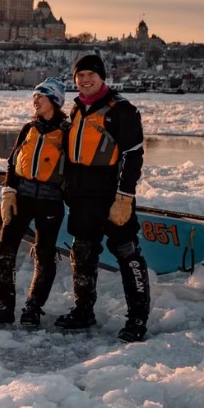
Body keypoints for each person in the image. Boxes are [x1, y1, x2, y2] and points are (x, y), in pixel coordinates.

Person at [55, 52, 151, 342]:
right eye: (80, 76)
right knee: (82, 250)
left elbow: (133, 156)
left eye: (90, 76)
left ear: (102, 78)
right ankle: (84, 310)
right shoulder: (76, 110)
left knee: (126, 251)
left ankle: (137, 320)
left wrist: (124, 196)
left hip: (112, 194)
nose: (85, 80)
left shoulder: (121, 110)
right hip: (82, 195)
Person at [0, 77, 69, 327]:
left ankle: (33, 308)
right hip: (21, 198)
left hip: (50, 202)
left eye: (41, 96)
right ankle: (5, 306)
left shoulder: (67, 131)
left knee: (44, 254)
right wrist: (9, 191)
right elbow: (12, 162)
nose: (35, 100)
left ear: (54, 100)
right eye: (34, 96)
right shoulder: (28, 128)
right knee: (4, 251)